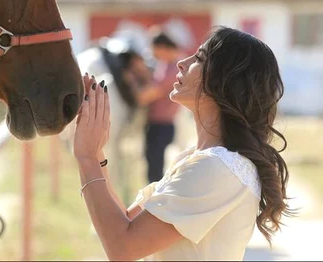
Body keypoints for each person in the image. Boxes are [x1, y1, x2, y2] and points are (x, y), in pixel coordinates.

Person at [73, 26, 294, 261]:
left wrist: (86, 157)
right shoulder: (199, 160)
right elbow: (126, 222)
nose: (182, 62)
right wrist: (96, 153)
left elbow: (123, 247)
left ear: (224, 80)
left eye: (198, 58)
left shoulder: (216, 168)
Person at [124, 26, 185, 183]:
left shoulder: (173, 70)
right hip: (159, 124)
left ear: (162, 48)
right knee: (154, 168)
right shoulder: (167, 64)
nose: (152, 54)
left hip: (161, 126)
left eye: (154, 49)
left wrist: (130, 80)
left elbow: (144, 97)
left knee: (155, 173)